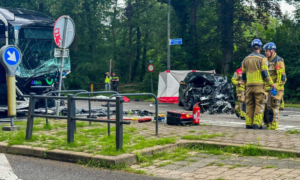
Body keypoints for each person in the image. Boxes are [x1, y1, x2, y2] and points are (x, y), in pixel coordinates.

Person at [241, 39, 276, 129]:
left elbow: (244, 75)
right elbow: (265, 73)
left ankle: (249, 123)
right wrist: (272, 84)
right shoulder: (263, 59)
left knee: (249, 105)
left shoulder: (245, 59)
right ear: (260, 48)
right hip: (259, 86)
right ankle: (257, 124)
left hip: (248, 86)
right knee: (259, 104)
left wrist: (245, 86)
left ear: (252, 48)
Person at [263, 42, 286, 130]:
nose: (265, 53)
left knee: (273, 106)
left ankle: (273, 125)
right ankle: (267, 124)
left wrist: (276, 85)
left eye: (267, 51)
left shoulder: (278, 60)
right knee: (265, 107)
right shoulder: (265, 60)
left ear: (272, 51)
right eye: (265, 51)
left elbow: (281, 76)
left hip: (276, 88)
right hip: (267, 88)